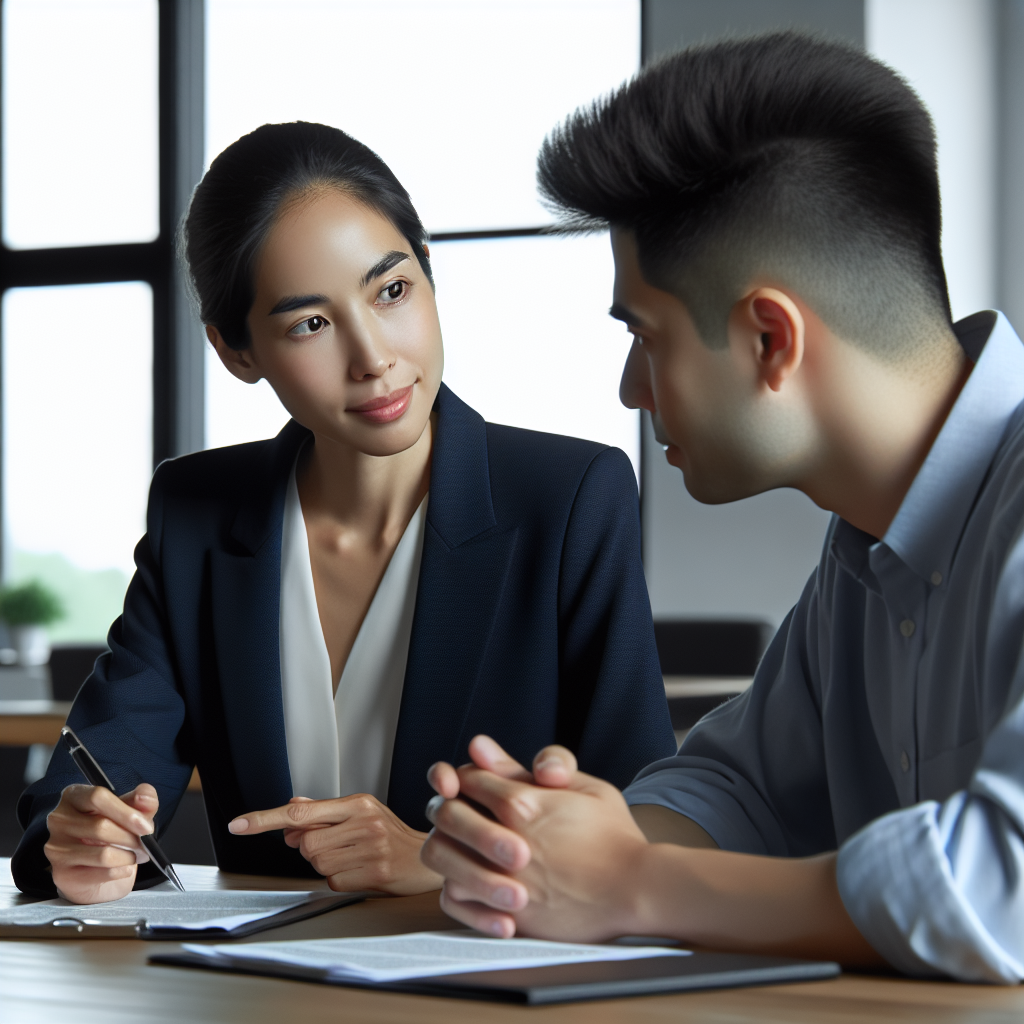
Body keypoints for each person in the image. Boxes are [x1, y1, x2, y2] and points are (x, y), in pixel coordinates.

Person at [419, 34, 1024, 983]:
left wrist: (634, 885)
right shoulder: (866, 554)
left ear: (769, 339)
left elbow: (1008, 888)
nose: (630, 388)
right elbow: (740, 787)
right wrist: (557, 839)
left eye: (646, 335)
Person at [13, 122, 675, 904]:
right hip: (243, 996)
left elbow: (639, 815)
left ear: (428, 270)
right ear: (235, 351)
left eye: (392, 291)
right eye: (310, 324)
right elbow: (96, 772)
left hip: (484, 989)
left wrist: (435, 859)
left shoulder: (570, 497)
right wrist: (81, 839)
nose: (373, 358)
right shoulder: (197, 512)